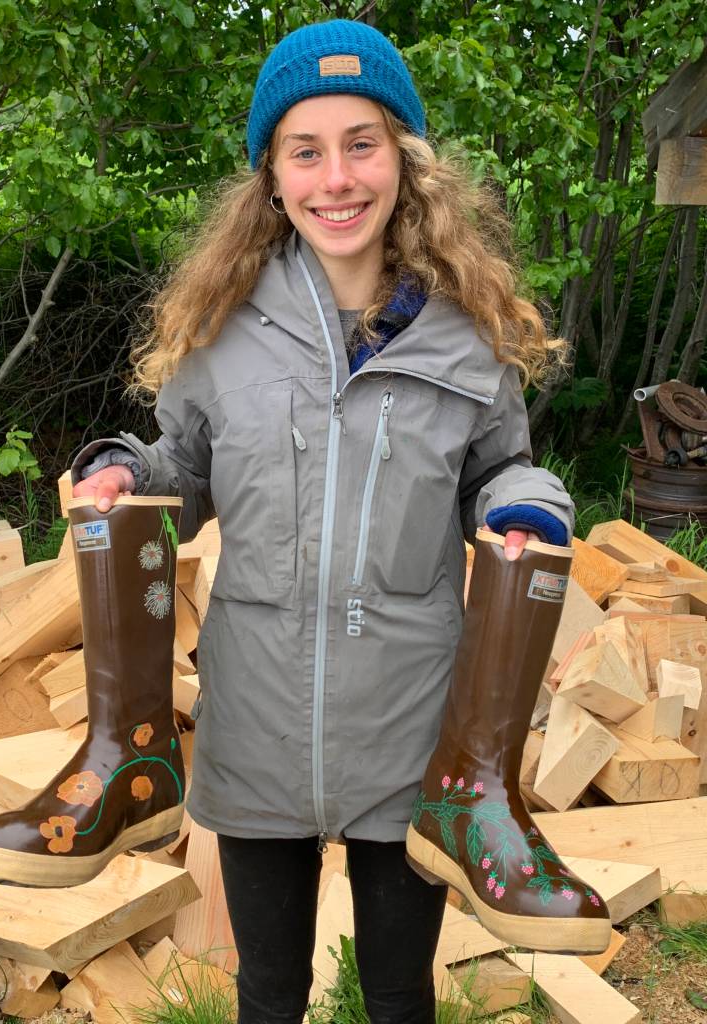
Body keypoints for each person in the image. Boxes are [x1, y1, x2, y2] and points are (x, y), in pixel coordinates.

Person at [72, 19, 573, 1023]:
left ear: (405, 162)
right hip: (258, 718)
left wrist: (526, 504)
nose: (335, 178)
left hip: (411, 723)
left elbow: (503, 468)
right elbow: (185, 469)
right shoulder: (223, 330)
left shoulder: (467, 337)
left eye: (362, 144)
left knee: (396, 995)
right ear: (271, 174)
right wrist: (125, 473)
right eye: (306, 150)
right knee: (266, 994)